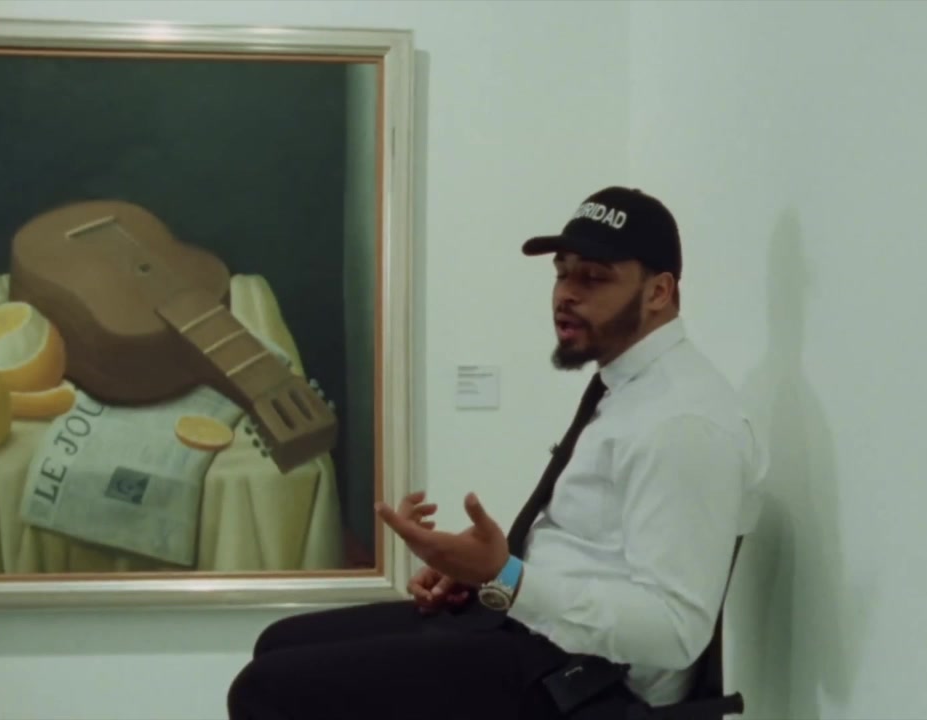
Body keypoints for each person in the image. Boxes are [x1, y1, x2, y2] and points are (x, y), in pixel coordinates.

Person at [226, 186, 766, 720]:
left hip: (584, 683)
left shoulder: (684, 422)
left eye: (593, 278)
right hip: (535, 632)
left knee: (267, 690)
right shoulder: (628, 387)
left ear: (659, 292)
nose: (565, 294)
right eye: (561, 273)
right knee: (278, 644)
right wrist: (482, 575)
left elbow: (675, 632)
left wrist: (507, 580)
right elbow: (588, 550)